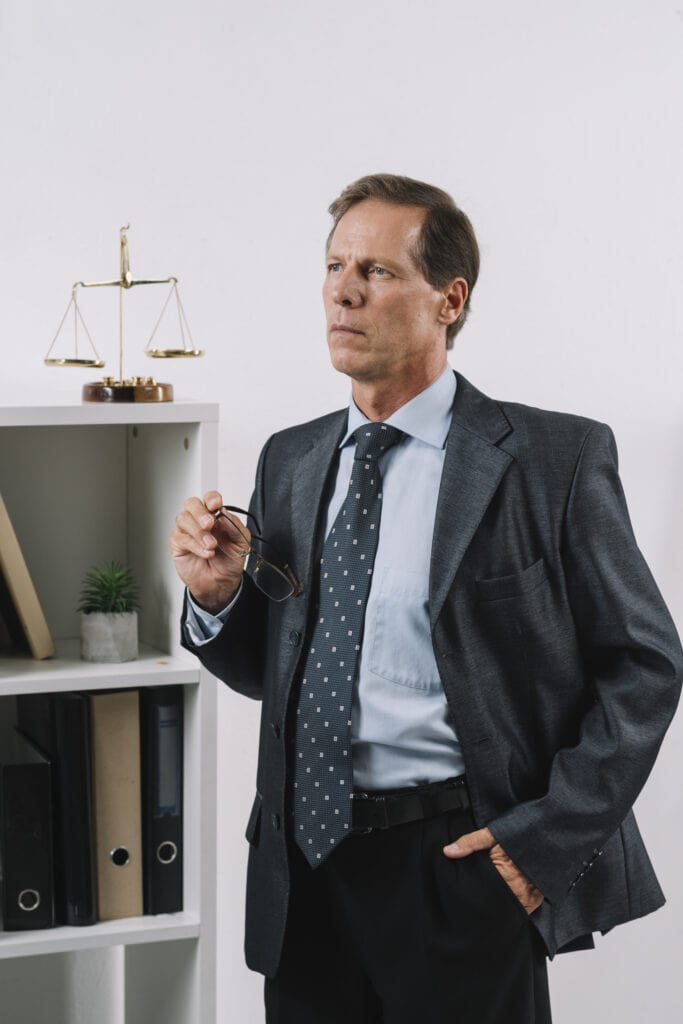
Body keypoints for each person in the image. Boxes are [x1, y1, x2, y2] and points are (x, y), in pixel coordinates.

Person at [169, 173, 683, 1024]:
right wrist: (218, 600)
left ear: (448, 299)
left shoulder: (550, 459)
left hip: (457, 866)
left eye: (374, 271)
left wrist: (538, 845)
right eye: (334, 266)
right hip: (302, 874)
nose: (342, 290)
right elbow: (288, 673)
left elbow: (645, 663)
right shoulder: (291, 460)